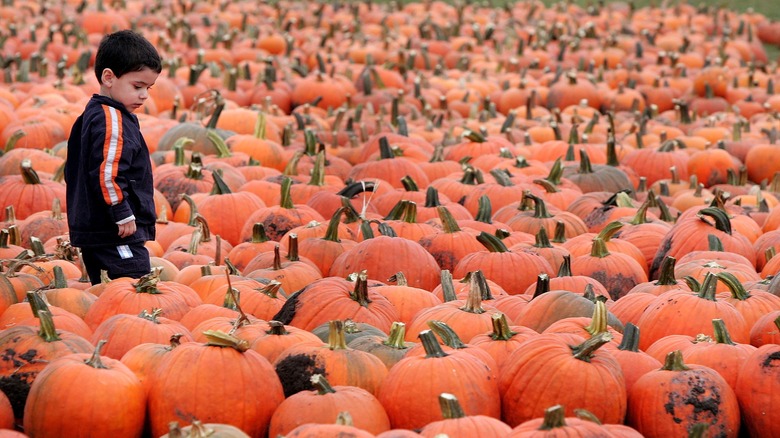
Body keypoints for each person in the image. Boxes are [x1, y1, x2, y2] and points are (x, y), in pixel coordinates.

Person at [65, 30, 162, 285]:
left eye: (148, 88)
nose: (144, 95)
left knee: (107, 293)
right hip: (115, 231)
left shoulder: (95, 113)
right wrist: (121, 211)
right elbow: (107, 172)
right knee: (134, 286)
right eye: (137, 86)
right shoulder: (111, 119)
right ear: (109, 77)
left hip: (98, 229)